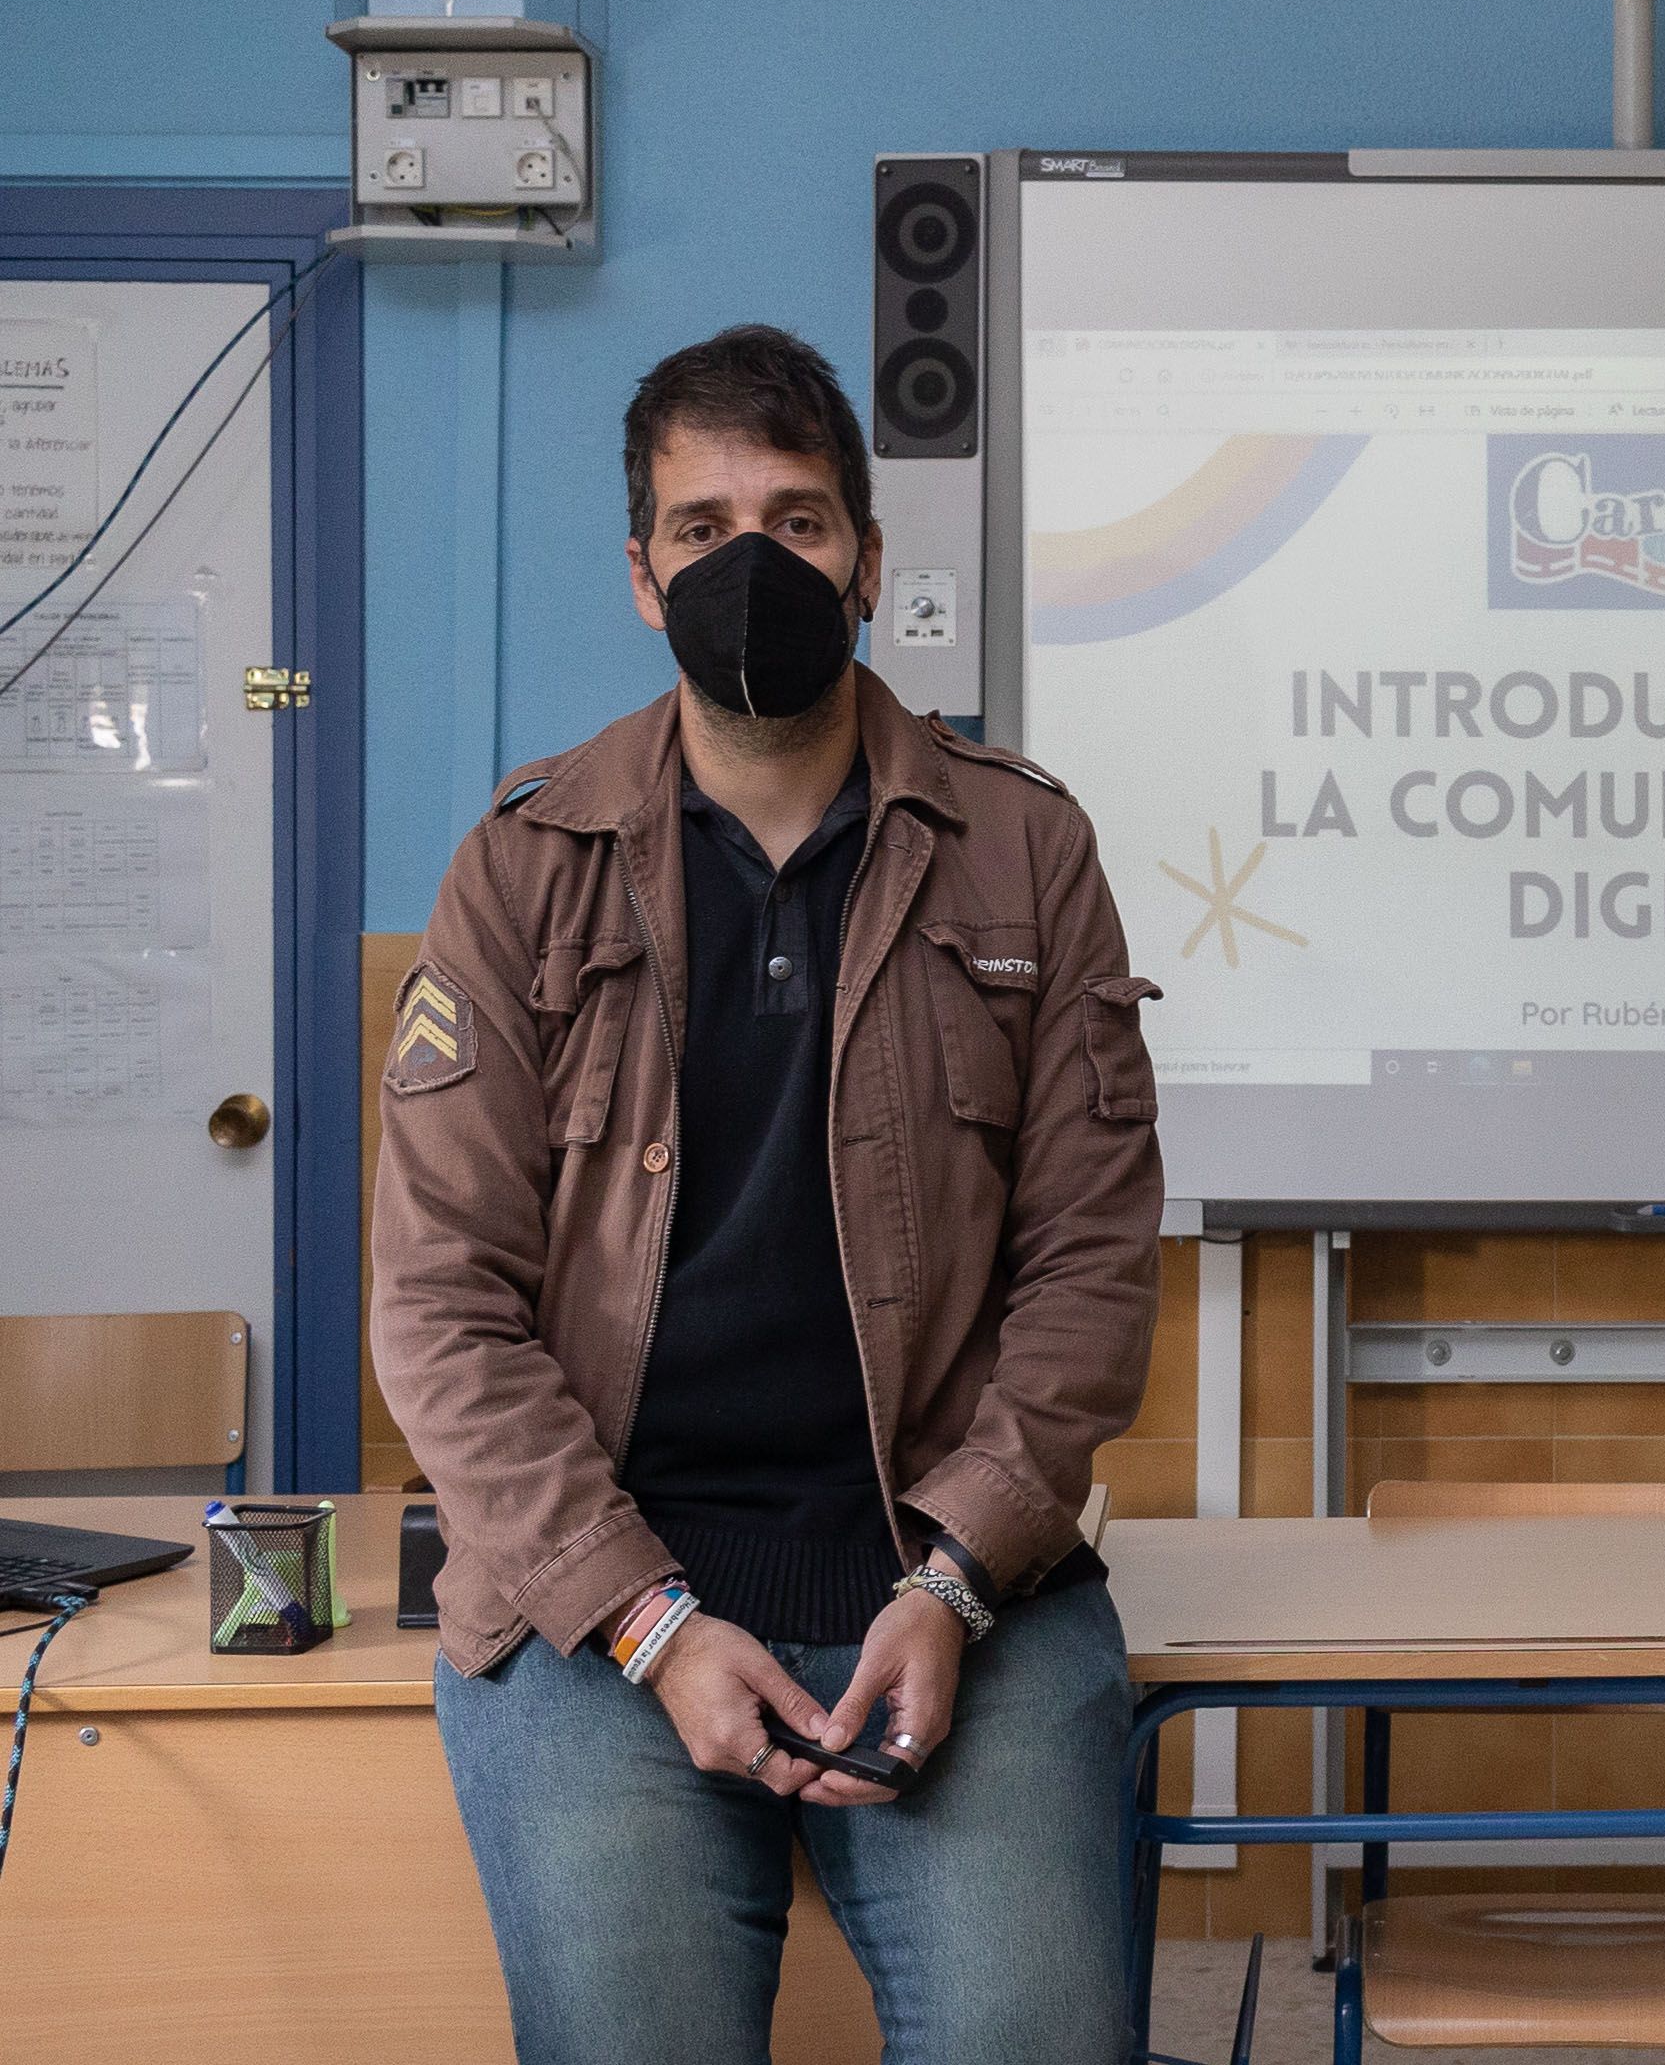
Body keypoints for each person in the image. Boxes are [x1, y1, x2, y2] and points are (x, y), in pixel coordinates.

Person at [372, 323, 1161, 2065]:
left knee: (1038, 2037)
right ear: (644, 576)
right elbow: (439, 1307)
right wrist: (653, 1624)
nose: (753, 564)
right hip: (604, 1604)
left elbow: (1092, 1267)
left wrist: (952, 1589)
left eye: (798, 523)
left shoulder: (1028, 848)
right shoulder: (520, 873)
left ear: (871, 563)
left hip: (954, 1586)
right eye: (705, 523)